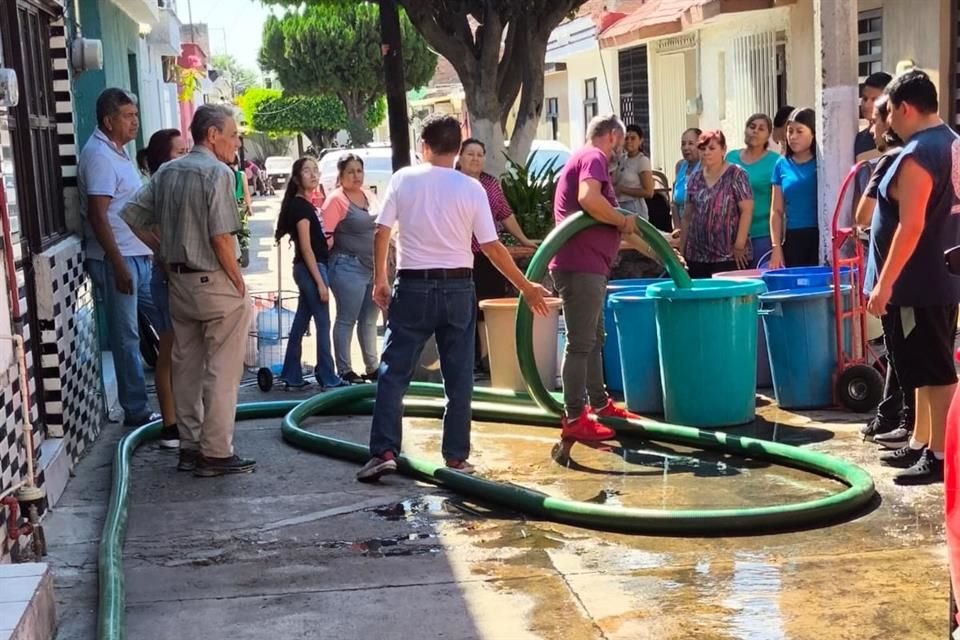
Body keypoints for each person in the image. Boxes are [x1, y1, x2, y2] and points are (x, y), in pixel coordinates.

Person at [356, 114, 550, 482]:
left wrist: (380, 279)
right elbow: (492, 248)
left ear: (423, 146)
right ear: (458, 150)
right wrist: (525, 286)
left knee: (393, 372)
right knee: (459, 376)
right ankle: (456, 457)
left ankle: (383, 451)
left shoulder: (404, 179)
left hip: (413, 285)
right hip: (459, 287)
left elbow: (382, 232)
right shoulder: (472, 189)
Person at [121, 104, 255, 477]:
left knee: (188, 367)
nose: (236, 142)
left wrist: (160, 250)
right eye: (232, 134)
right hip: (213, 279)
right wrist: (238, 281)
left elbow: (131, 215)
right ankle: (216, 453)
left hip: (177, 281)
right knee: (223, 371)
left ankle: (191, 447)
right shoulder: (218, 173)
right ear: (212, 135)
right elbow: (221, 237)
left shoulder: (167, 171)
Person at [865, 69, 960, 485]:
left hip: (920, 280)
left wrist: (885, 284)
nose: (887, 121)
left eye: (887, 111)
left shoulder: (920, 152)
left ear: (904, 108)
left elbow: (911, 225)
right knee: (921, 368)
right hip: (939, 276)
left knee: (934, 369)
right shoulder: (952, 143)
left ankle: (940, 453)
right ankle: (923, 442)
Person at [549, 114, 660, 443]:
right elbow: (589, 200)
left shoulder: (584, 158)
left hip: (589, 266)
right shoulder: (594, 157)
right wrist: (620, 219)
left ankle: (599, 403)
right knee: (581, 343)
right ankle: (573, 416)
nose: (619, 152)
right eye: (619, 143)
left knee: (595, 340)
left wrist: (658, 249)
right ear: (612, 136)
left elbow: (616, 223)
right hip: (580, 266)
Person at [78, 88, 161, 429]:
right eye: (128, 116)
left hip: (139, 256)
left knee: (169, 318)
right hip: (119, 261)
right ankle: (136, 411)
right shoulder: (98, 154)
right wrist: (116, 264)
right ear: (108, 120)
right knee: (127, 336)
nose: (135, 122)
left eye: (136, 115)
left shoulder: (120, 153)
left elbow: (128, 210)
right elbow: (99, 215)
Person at [854, 95, 913, 447]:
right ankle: (893, 415)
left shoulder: (890, 162)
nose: (871, 129)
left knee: (902, 350)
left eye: (875, 121)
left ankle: (901, 420)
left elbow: (862, 214)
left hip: (894, 276)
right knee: (899, 349)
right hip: (900, 273)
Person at [456, 138, 539, 375]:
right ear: (459, 157)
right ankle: (467, 362)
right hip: (461, 256)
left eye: (479, 154)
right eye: (470, 154)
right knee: (465, 312)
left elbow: (504, 213)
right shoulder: (452, 182)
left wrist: (523, 239)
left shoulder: (490, 184)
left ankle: (487, 360)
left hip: (488, 255)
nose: (475, 159)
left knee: (487, 307)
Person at [275, 157, 344, 390]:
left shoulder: (305, 205)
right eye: (307, 171)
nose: (313, 174)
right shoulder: (301, 207)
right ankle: (327, 376)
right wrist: (320, 283)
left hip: (308, 268)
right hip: (311, 269)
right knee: (323, 323)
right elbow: (306, 248)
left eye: (316, 170)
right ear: (296, 177)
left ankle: (291, 373)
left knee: (301, 321)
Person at [138, 128, 187, 449]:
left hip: (177, 278)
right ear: (163, 157)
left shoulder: (176, 186)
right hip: (166, 279)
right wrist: (161, 252)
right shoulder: (157, 188)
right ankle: (170, 425)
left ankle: (182, 420)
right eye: (179, 151)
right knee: (169, 352)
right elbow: (133, 221)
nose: (185, 156)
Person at [322, 154, 380, 385]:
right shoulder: (336, 200)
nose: (356, 176)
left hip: (372, 267)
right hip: (347, 266)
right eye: (350, 172)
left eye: (359, 171)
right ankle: (345, 370)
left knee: (368, 320)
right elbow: (324, 235)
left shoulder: (369, 194)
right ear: (341, 175)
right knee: (347, 318)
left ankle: (373, 367)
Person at [679, 130, 754, 278]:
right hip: (697, 255)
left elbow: (747, 210)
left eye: (712, 148)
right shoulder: (695, 178)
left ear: (723, 149)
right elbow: (687, 216)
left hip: (729, 255)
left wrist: (739, 245)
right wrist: (682, 250)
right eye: (703, 148)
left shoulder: (736, 174)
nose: (706, 152)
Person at [768, 108, 819, 269]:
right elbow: (776, 211)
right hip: (794, 237)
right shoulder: (781, 164)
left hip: (819, 236)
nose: (793, 137)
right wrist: (776, 247)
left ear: (813, 133)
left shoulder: (822, 163)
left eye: (800, 131)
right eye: (790, 131)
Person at [727, 114, 779, 266]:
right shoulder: (731, 158)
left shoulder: (775, 161)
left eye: (761, 129)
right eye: (752, 127)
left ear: (768, 136)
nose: (755, 131)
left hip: (762, 234)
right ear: (745, 130)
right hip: (732, 235)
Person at [615, 125, 655, 219]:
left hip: (634, 207)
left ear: (640, 141)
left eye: (633, 138)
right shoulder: (621, 159)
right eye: (626, 138)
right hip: (620, 206)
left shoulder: (642, 161)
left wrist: (622, 189)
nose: (629, 141)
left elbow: (649, 192)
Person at [855, 72, 894, 161]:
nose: (867, 105)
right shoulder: (859, 139)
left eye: (874, 99)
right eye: (865, 99)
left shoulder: (900, 137)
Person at [671, 128, 702, 230]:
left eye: (690, 143)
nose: (686, 147)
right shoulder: (680, 166)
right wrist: (677, 228)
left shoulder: (706, 167)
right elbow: (674, 203)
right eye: (683, 144)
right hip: (682, 228)